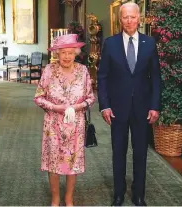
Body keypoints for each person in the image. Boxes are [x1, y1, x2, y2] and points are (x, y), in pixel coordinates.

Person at [97, 2, 161, 206]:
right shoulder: (110, 43)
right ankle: (118, 193)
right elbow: (103, 77)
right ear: (120, 19)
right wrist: (104, 105)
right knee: (118, 152)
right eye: (125, 17)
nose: (129, 21)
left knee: (141, 153)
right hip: (117, 109)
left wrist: (155, 105)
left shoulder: (149, 43)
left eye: (133, 17)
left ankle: (138, 194)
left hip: (143, 109)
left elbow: (156, 79)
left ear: (139, 18)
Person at [34, 34, 95, 206]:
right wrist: (56, 108)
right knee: (53, 161)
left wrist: (76, 107)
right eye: (63, 53)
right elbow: (38, 97)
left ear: (76, 53)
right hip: (53, 123)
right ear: (57, 54)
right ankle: (55, 199)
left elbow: (90, 98)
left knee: (72, 161)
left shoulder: (83, 71)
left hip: (76, 124)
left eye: (70, 52)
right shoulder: (48, 70)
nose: (67, 56)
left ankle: (69, 198)